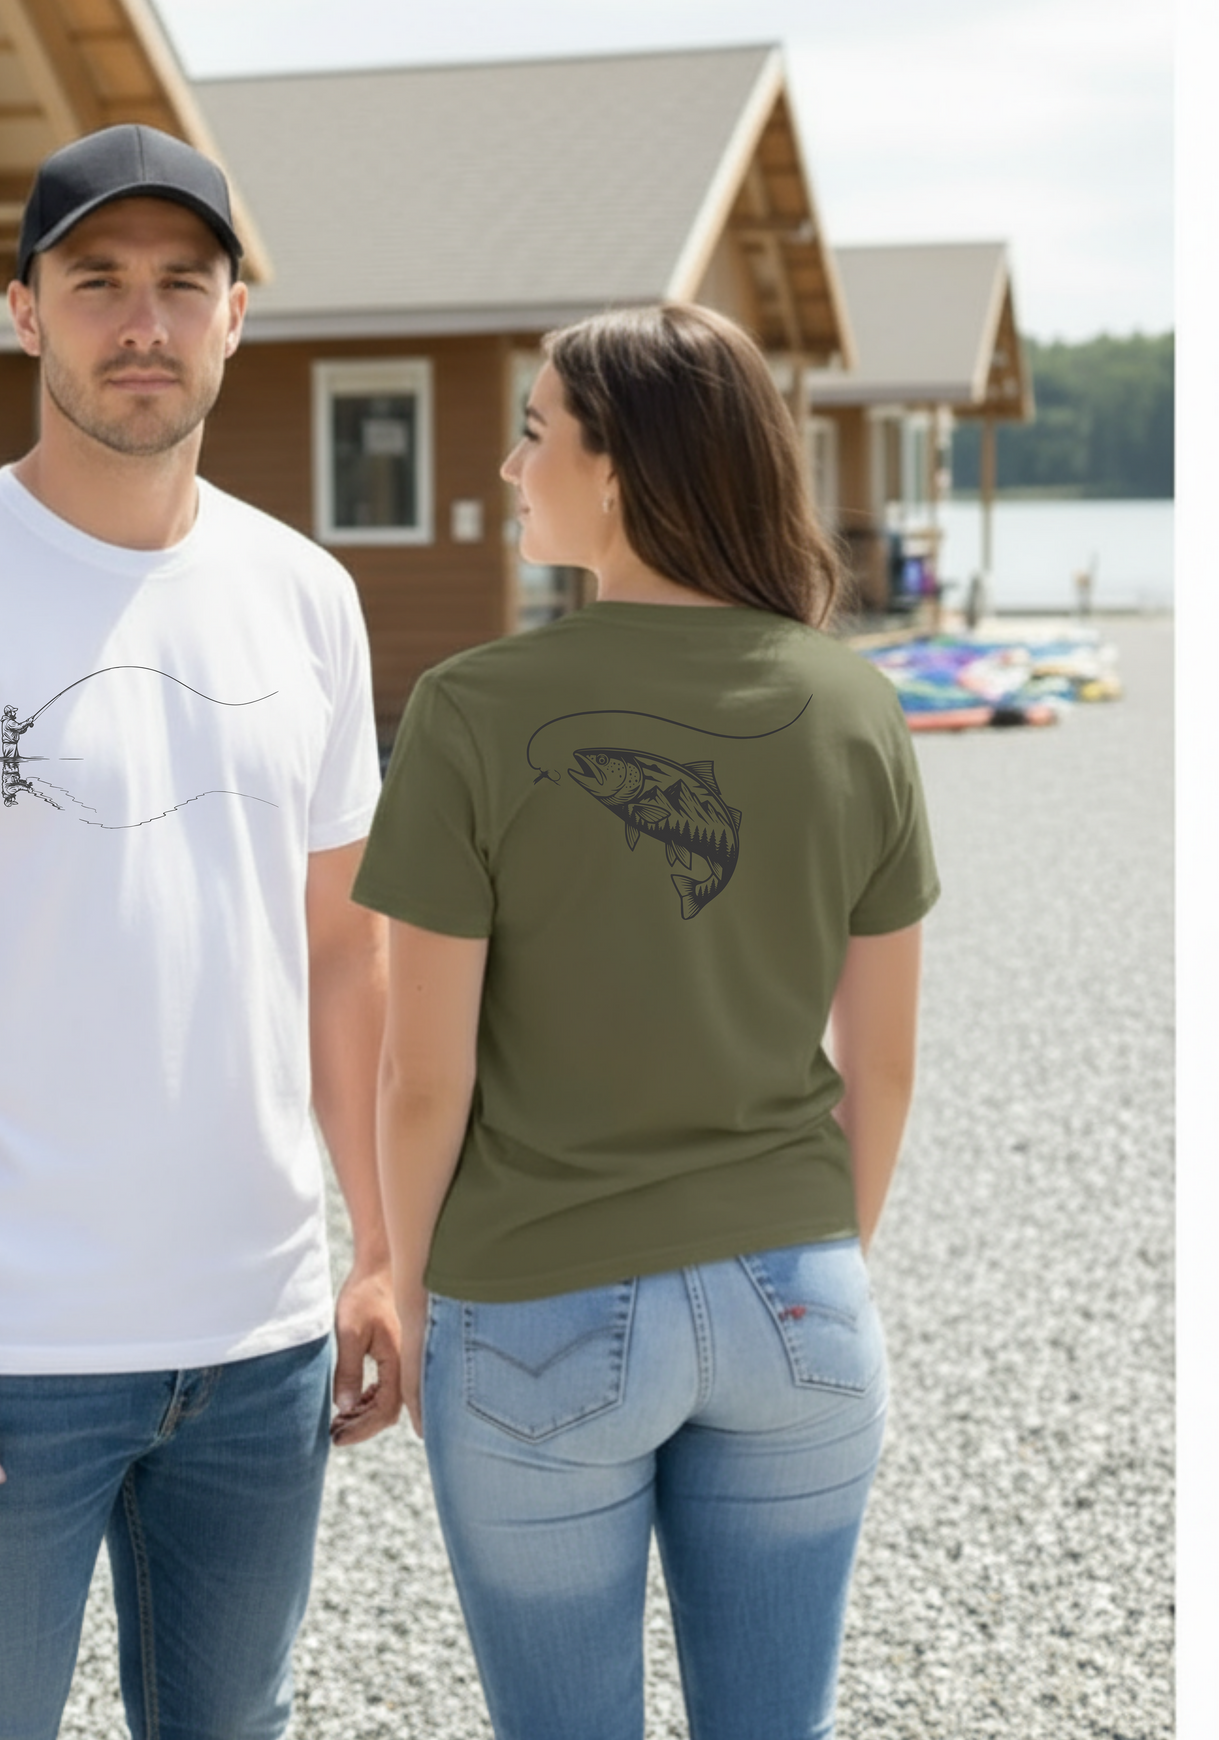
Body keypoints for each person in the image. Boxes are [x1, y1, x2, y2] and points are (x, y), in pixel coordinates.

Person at [0, 124, 399, 1739]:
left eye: (184, 285)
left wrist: (381, 1249)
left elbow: (342, 956)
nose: (143, 322)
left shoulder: (306, 596)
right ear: (23, 311)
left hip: (259, 1341)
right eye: (96, 281)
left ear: (235, 317)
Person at [352, 302, 938, 1740]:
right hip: (797, 1302)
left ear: (617, 472)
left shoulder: (469, 710)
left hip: (538, 1304)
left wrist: (397, 1281)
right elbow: (886, 1064)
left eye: (534, 431)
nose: (505, 466)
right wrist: (808, 1268)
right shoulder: (854, 707)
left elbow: (422, 1077)